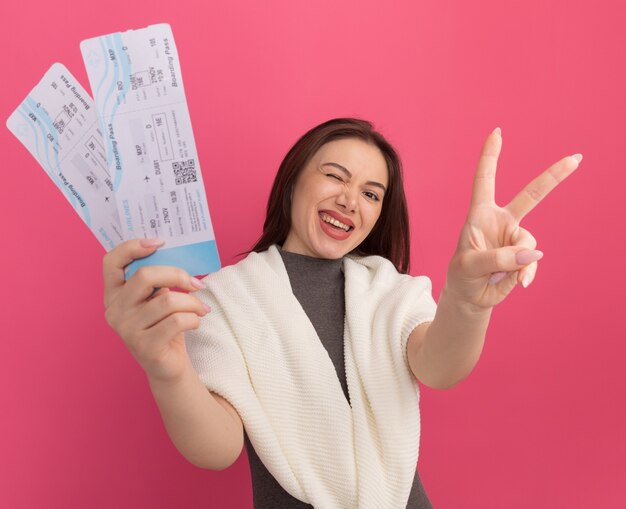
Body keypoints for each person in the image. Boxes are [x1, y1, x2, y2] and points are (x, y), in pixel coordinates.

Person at [102, 118, 582, 508]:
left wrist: (465, 302)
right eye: (335, 175)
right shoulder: (226, 298)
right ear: (292, 183)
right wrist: (167, 370)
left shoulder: (390, 290)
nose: (351, 199)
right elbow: (218, 447)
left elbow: (437, 366)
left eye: (372, 194)